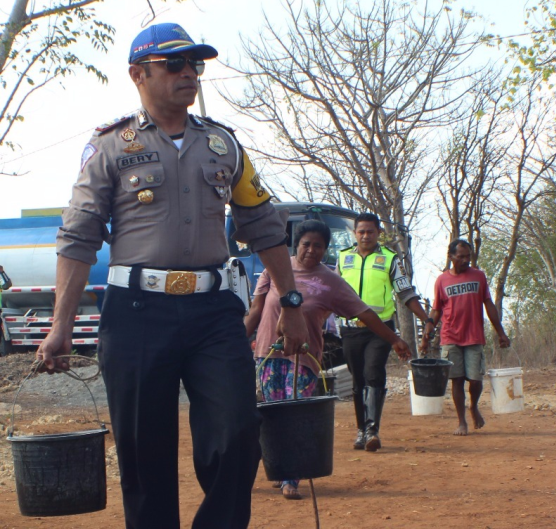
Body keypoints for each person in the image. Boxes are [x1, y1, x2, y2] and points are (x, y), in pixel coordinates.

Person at [35, 23, 310, 528]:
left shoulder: (224, 146)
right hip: (137, 314)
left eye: (195, 64)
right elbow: (78, 239)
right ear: (138, 74)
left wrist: (291, 305)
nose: (189, 73)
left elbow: (264, 227)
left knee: (237, 435)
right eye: (174, 64)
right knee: (144, 454)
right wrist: (60, 327)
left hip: (213, 313)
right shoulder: (110, 148)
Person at [244, 220, 412, 499]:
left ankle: (290, 479)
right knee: (271, 417)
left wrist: (393, 339)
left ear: (325, 249)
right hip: (269, 355)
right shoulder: (275, 269)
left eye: (318, 245)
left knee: (295, 417)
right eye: (306, 244)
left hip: (304, 359)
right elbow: (255, 310)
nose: (311, 250)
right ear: (296, 245)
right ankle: (278, 468)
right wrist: (234, 342)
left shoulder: (331, 281)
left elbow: (365, 313)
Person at [337, 212, 430, 451]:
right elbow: (329, 292)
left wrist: (427, 319)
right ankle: (361, 430)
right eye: (361, 231)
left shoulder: (390, 259)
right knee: (358, 380)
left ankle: (371, 430)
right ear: (354, 233)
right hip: (350, 330)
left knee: (373, 374)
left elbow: (405, 293)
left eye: (370, 231)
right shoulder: (343, 257)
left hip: (380, 330)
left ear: (378, 233)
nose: (365, 236)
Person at [422, 239, 510, 436]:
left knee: (476, 380)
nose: (465, 260)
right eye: (460, 256)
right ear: (451, 257)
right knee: (457, 380)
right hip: (450, 336)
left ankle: (474, 406)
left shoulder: (478, 276)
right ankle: (461, 421)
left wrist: (501, 332)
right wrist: (428, 330)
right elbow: (436, 310)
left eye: (467, 256)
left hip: (474, 336)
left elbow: (488, 305)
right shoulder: (442, 280)